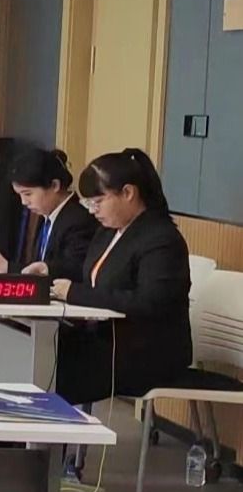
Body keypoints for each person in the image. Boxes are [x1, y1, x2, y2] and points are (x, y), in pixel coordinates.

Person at [49, 149, 192, 405]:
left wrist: (75, 293)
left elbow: (148, 302)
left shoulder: (161, 239)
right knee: (39, 349)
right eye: (89, 204)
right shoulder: (107, 232)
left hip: (147, 354)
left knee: (51, 366)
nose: (93, 211)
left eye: (98, 201)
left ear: (128, 193)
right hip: (104, 341)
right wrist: (50, 272)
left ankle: (42, 428)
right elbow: (93, 277)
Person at [0, 147, 98, 280]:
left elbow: (73, 270)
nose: (24, 202)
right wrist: (7, 267)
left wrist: (10, 268)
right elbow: (38, 268)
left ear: (54, 185)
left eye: (28, 194)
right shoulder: (47, 215)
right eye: (20, 195)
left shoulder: (78, 220)